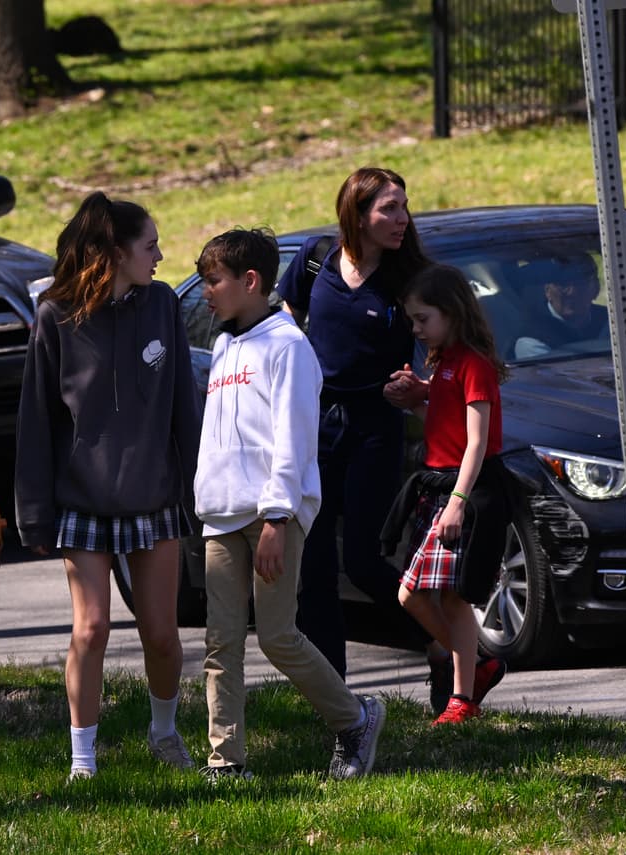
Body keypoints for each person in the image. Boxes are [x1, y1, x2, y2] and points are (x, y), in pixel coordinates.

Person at [15, 191, 201, 781]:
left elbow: (182, 407)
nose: (161, 255)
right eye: (150, 246)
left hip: (155, 497)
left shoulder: (163, 304)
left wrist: (198, 493)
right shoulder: (55, 315)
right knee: (90, 628)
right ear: (115, 252)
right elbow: (36, 421)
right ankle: (83, 760)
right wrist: (34, 514)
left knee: (164, 638)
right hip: (83, 502)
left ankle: (164, 733)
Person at [193, 228, 384, 781]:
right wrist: (206, 499)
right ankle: (225, 762)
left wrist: (278, 517)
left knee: (277, 636)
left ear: (250, 281)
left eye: (214, 282)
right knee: (219, 643)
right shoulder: (226, 345)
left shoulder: (289, 346)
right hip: (221, 517)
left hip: (271, 516)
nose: (206, 292)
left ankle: (355, 720)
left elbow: (293, 438)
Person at [276, 167, 452, 713]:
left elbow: (445, 351)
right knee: (314, 568)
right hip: (316, 423)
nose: (401, 219)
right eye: (388, 209)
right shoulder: (315, 258)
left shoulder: (412, 276)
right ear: (357, 213)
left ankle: (444, 643)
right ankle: (333, 700)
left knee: (367, 561)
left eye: (403, 207)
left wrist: (420, 387)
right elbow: (285, 323)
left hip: (377, 424)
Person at [382, 264, 510, 725]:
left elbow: (477, 442)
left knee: (443, 597)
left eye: (422, 319)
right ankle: (475, 673)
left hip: (466, 491)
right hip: (439, 486)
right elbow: (445, 418)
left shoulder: (474, 365)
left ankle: (464, 695)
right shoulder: (445, 361)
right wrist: (415, 399)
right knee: (418, 595)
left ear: (452, 313)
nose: (416, 330)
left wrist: (458, 503)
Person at [511, 254, 608, 360]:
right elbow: (549, 375)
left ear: (595, 289)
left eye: (580, 284)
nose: (571, 292)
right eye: (563, 284)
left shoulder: (613, 321)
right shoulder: (531, 339)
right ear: (547, 290)